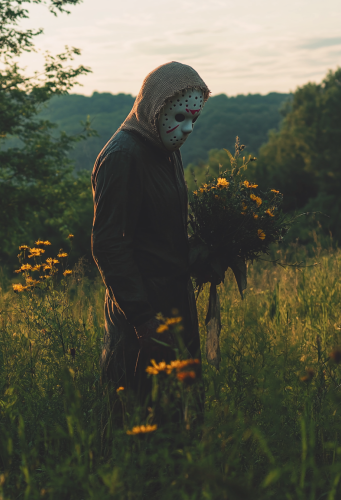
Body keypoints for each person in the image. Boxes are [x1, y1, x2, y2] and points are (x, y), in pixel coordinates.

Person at [91, 61, 210, 403]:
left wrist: (205, 252)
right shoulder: (121, 156)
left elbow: (161, 231)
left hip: (174, 301)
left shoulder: (165, 151)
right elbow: (109, 244)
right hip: (142, 311)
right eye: (179, 118)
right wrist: (142, 319)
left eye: (194, 121)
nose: (187, 130)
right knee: (139, 408)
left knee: (179, 408)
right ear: (154, 109)